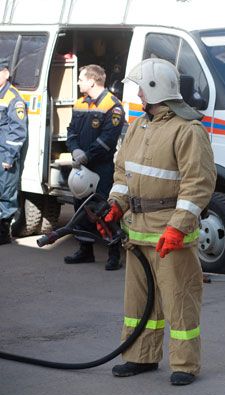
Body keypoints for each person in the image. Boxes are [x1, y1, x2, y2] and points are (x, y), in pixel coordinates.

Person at [99, 58, 216, 386]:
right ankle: (140, 356)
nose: (138, 93)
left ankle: (184, 364)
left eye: (141, 88)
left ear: (155, 89)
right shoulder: (139, 126)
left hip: (169, 234)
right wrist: (116, 205)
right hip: (137, 232)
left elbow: (198, 184)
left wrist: (179, 227)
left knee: (180, 300)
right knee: (139, 303)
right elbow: (123, 172)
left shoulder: (188, 130)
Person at [64, 64, 124, 270]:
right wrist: (74, 150)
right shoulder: (79, 103)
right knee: (80, 209)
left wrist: (86, 156)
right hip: (81, 166)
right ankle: (85, 250)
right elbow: (71, 131)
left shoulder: (113, 106)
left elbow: (108, 139)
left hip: (101, 168)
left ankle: (114, 254)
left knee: (104, 209)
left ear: (92, 81)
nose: (78, 82)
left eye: (81, 79)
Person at [0, 57, 28, 245]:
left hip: (5, 154)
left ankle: (3, 232)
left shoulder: (13, 98)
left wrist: (9, 157)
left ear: (5, 73)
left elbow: (18, 131)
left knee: (5, 193)